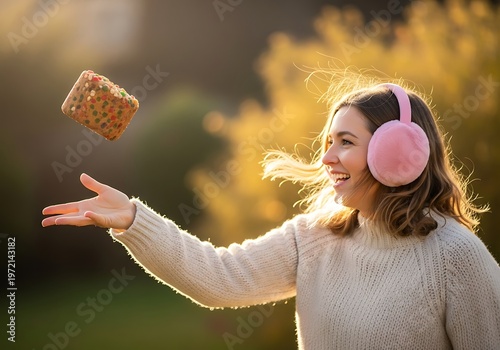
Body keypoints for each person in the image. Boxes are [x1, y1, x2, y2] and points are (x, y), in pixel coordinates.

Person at [42, 73, 500, 349]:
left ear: (398, 152)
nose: (327, 158)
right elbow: (218, 278)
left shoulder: (454, 257)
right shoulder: (316, 238)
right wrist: (133, 220)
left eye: (346, 143)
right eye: (327, 142)